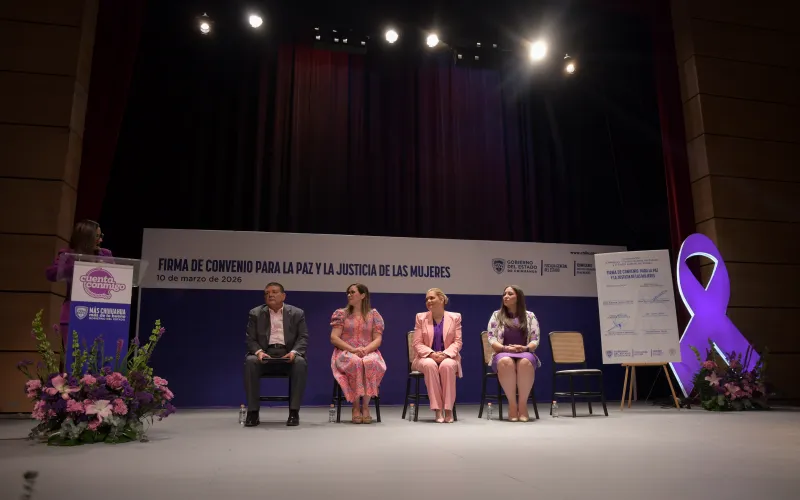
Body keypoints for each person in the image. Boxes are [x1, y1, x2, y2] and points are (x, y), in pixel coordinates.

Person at [243, 282, 309, 427]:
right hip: (264, 355)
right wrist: (259, 352)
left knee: (300, 363)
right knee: (250, 361)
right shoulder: (255, 313)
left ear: (283, 296)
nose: (270, 295)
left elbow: (303, 337)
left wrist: (294, 352)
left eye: (274, 292)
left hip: (287, 355)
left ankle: (294, 412)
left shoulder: (297, 313)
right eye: (267, 293)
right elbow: (250, 339)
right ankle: (253, 412)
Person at [45, 219, 112, 349]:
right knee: (74, 356)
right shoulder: (68, 255)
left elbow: (117, 277)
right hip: (73, 312)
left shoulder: (105, 255)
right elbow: (51, 274)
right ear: (87, 238)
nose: (100, 240)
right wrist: (77, 265)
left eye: (101, 236)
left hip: (99, 314)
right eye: (97, 236)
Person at [330, 283, 386, 424]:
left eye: (352, 292)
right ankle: (355, 406)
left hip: (368, 351)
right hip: (346, 352)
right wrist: (353, 349)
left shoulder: (374, 315)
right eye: (348, 292)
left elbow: (378, 339)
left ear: (362, 295)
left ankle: (365, 406)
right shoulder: (341, 314)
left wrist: (366, 350)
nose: (349, 295)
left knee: (370, 361)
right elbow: (334, 338)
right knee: (355, 362)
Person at [486, 285, 541, 422]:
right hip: (503, 352)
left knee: (525, 362)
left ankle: (522, 406)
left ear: (518, 297)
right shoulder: (496, 315)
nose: (506, 296)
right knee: (506, 361)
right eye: (504, 294)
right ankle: (512, 405)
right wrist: (505, 348)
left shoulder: (530, 316)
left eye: (510, 294)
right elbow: (491, 338)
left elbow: (535, 339)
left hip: (524, 352)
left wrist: (525, 348)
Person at [411, 288, 463, 423]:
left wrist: (445, 354)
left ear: (442, 299)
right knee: (430, 365)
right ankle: (438, 410)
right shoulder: (420, 317)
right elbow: (417, 343)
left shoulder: (455, 317)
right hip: (425, 358)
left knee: (447, 366)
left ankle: (448, 410)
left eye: (432, 298)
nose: (428, 301)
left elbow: (458, 342)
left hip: (448, 357)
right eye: (427, 299)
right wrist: (432, 354)